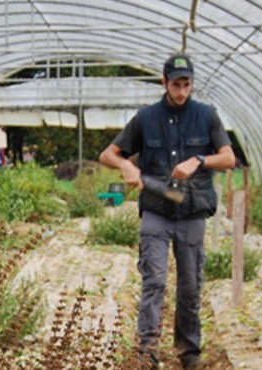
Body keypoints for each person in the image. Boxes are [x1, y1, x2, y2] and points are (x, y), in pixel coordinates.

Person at [99, 53, 235, 369]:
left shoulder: (207, 116)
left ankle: (189, 352)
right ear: (164, 83)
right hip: (156, 212)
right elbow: (107, 153)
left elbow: (228, 158)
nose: (182, 92)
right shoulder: (146, 118)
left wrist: (200, 160)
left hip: (192, 213)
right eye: (176, 85)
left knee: (190, 285)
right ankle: (147, 351)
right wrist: (125, 166)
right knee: (154, 280)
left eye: (187, 84)